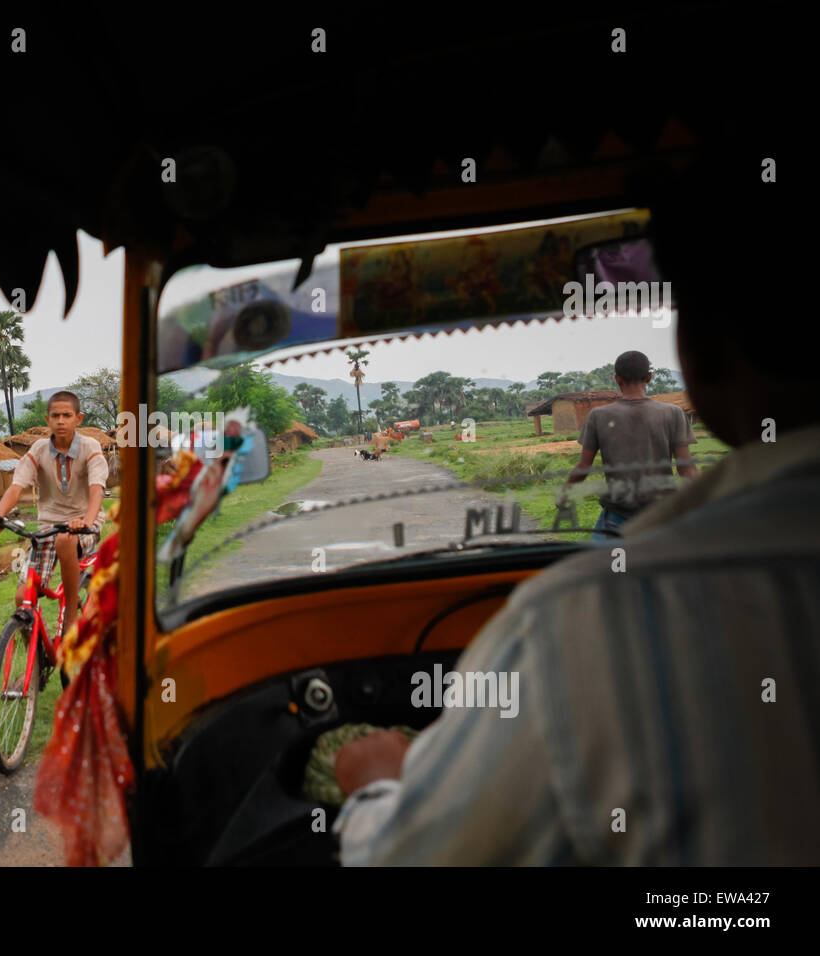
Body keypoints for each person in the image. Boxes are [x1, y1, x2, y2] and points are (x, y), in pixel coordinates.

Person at [332, 156, 820, 865]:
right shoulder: (672, 415)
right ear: (655, 374)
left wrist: (375, 787)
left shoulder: (576, 619)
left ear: (704, 350)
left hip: (617, 527)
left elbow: (583, 471)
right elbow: (688, 474)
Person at [0, 391, 106, 638]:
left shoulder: (91, 447)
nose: (61, 421)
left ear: (78, 418)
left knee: (66, 540)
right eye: (55, 416)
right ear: (47, 419)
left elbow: (97, 490)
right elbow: (16, 486)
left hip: (83, 526)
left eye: (67, 415)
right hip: (47, 527)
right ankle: (35, 661)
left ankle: (71, 612)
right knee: (22, 598)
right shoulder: (38, 450)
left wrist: (87, 522)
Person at [565, 350, 696, 539]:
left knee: (606, 565)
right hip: (661, 517)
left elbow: (584, 466)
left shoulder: (598, 416)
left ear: (617, 379)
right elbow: (687, 469)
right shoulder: (673, 413)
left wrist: (564, 492)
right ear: (649, 377)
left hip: (617, 518)